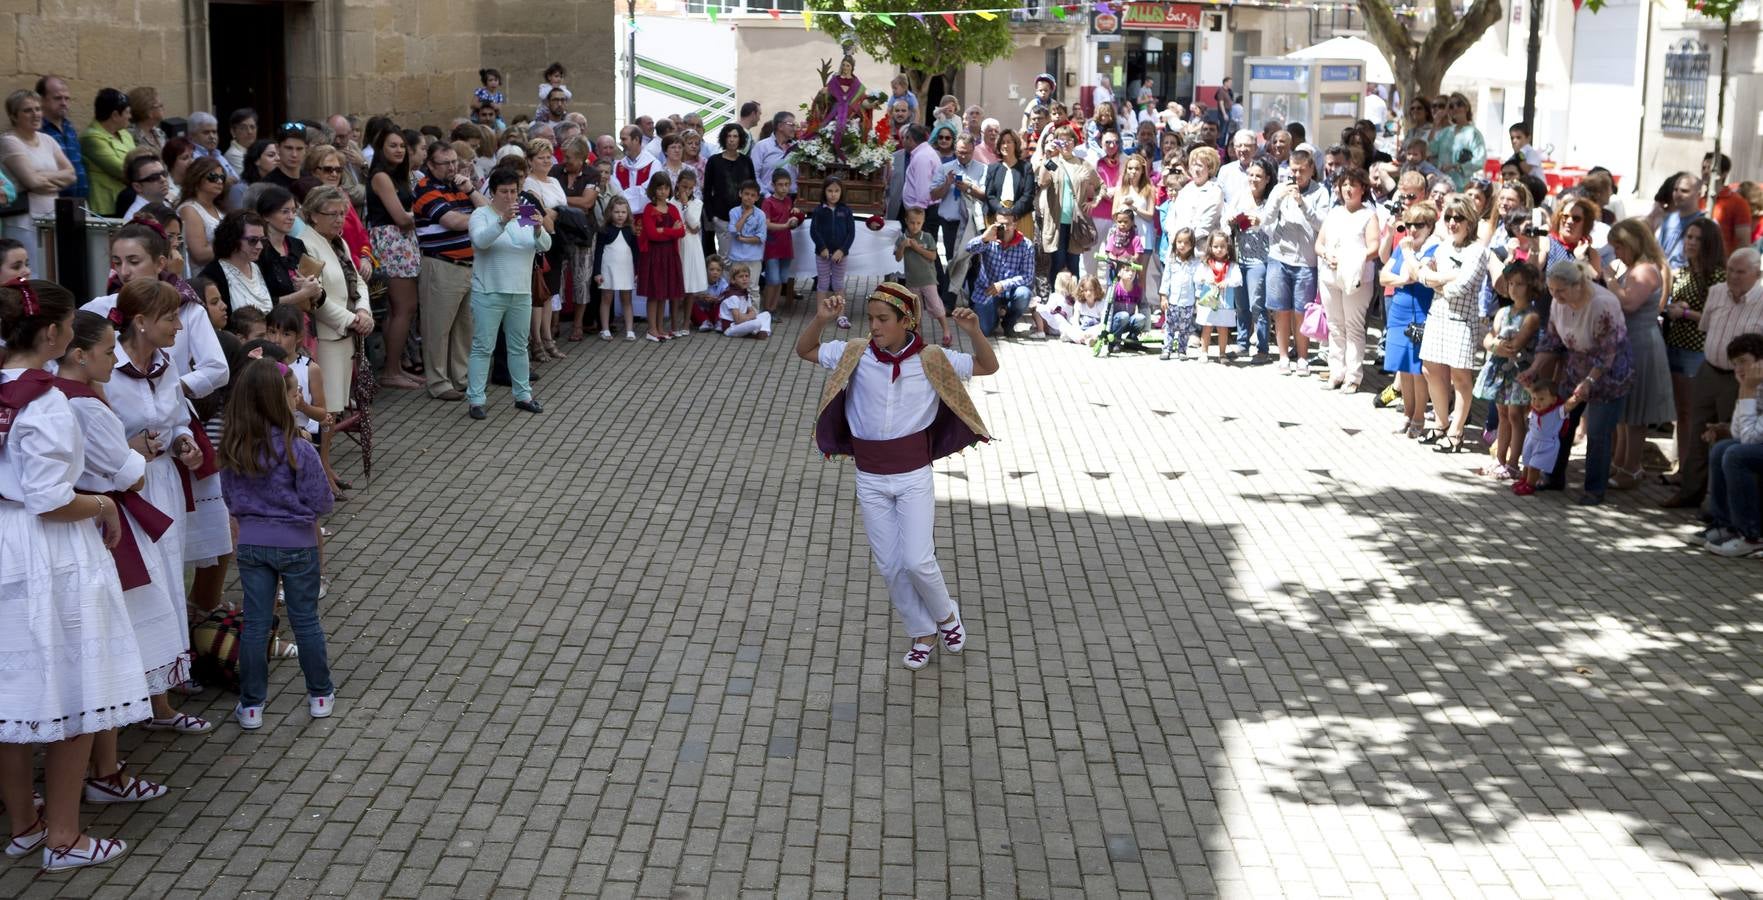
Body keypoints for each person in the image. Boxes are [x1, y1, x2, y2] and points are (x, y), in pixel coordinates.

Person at [0, 279, 151, 872]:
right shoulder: (47, 403)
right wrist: (104, 506)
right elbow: (48, 498)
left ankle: (25, 825)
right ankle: (64, 836)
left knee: (14, 692)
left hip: (6, 542)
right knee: (74, 687)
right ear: (55, 334)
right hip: (49, 548)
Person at [796, 285, 995, 670]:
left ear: (908, 321)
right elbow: (805, 350)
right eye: (870, 318)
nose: (874, 326)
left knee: (918, 560)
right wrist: (820, 319)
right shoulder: (853, 352)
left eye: (883, 320)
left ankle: (946, 616)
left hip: (913, 475)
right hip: (869, 477)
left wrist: (974, 332)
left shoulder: (931, 358)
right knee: (889, 565)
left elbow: (987, 366)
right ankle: (921, 631)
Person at [105, 278, 211, 731]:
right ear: (142, 322)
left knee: (168, 579)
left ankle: (160, 697)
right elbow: (92, 433)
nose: (177, 326)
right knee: (138, 588)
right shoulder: (106, 369)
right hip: (125, 492)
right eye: (170, 317)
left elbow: (178, 418)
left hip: (163, 482)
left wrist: (185, 442)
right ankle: (136, 697)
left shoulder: (166, 364)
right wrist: (127, 447)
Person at [219, 358, 336, 730]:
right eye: (293, 391)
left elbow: (229, 497)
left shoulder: (235, 447)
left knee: (255, 625)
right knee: (305, 621)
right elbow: (322, 501)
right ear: (276, 399)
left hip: (253, 544)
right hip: (298, 544)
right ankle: (319, 694)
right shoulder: (299, 450)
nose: (298, 395)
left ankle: (251, 705)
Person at [1522, 260, 1635, 504]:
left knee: (1598, 432)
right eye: (1551, 290)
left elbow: (1607, 354)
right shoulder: (1558, 303)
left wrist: (1589, 381)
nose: (1555, 295)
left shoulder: (1603, 304)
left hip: (1608, 374)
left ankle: (1594, 489)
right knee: (1559, 421)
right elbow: (1552, 341)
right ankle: (1552, 477)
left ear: (1578, 285)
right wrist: (1534, 368)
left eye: (1560, 290)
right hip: (1576, 366)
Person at [1670, 246, 1763, 508]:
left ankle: (1720, 504)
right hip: (1709, 369)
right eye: (1730, 270)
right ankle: (1689, 493)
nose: (1733, 276)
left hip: (1741, 380)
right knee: (1698, 434)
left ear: (1757, 273)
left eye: (1740, 272)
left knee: (1730, 438)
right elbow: (1706, 327)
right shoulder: (1717, 291)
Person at [296, 186, 374, 479]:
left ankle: (325, 467)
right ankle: (321, 470)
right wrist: (353, 319)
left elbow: (358, 282)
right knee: (323, 409)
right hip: (326, 337)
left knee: (334, 409)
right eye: (332, 214)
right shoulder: (305, 244)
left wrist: (364, 311)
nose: (340, 219)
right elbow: (315, 297)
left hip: (346, 335)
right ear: (313, 216)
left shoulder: (339, 242)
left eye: (343, 213)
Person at [465, 168, 552, 418]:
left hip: (521, 291)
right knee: (483, 346)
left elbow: (545, 245)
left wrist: (537, 229)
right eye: (504, 192)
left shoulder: (524, 213)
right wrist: (502, 221)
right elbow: (481, 241)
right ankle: (476, 399)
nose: (510, 196)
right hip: (489, 290)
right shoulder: (481, 215)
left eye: (514, 191)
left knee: (519, 346)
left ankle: (523, 395)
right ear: (493, 193)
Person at [1414, 195, 1491, 451]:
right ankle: (1440, 423)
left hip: (1462, 319)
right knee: (1430, 369)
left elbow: (1462, 287)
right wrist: (1444, 277)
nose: (1452, 223)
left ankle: (1457, 432)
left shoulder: (1478, 251)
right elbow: (1422, 273)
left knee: (1460, 377)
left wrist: (1437, 281)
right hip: (1437, 315)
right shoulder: (1443, 245)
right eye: (1449, 217)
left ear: (1470, 221)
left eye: (1459, 218)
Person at [1604, 219, 1677, 489]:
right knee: (1625, 413)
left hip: (1642, 345)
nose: (1616, 254)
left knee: (1636, 413)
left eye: (1619, 247)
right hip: (1630, 343)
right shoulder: (1636, 267)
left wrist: (1609, 277)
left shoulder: (1645, 269)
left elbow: (1629, 303)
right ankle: (1621, 462)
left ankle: (1632, 467)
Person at [412, 143, 483, 400]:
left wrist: (472, 190)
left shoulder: (460, 186)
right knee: (438, 328)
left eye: (454, 161)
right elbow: (452, 221)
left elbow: (486, 209)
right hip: (441, 264)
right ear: (430, 165)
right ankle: (439, 382)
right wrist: (482, 218)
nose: (452, 167)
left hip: (468, 265)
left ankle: (461, 377)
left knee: (465, 327)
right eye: (445, 163)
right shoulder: (424, 189)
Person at [1475, 260, 1545, 480]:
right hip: (1500, 370)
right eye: (1511, 283)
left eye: (1520, 284)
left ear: (1531, 287)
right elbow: (1489, 337)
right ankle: (1499, 459)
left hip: (1519, 372)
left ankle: (1514, 463)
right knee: (1502, 414)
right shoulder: (1503, 312)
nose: (1514, 288)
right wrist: (1494, 344)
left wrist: (1497, 344)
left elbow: (1516, 344)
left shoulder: (1531, 316)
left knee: (1516, 415)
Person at [1314, 167, 1381, 392]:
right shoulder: (1334, 213)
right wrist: (1326, 254)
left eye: (1353, 184)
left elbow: (1374, 248)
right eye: (1344, 184)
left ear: (1363, 188)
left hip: (1357, 278)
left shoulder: (1368, 215)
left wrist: (1350, 259)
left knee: (1353, 326)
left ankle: (1353, 375)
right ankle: (1336, 372)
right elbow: (1319, 244)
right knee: (1334, 325)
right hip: (1330, 275)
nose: (1348, 189)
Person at [364, 127, 421, 389]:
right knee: (404, 307)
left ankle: (395, 367)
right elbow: (400, 217)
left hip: (402, 243)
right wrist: (422, 214)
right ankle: (390, 371)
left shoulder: (398, 177)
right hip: (392, 243)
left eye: (401, 146)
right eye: (392, 146)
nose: (399, 150)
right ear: (381, 150)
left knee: (399, 310)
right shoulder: (381, 177)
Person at [1264, 147, 1329, 374]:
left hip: (1306, 261)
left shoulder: (1320, 192)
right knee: (1281, 310)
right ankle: (1283, 356)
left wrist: (1302, 203)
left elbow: (1322, 224)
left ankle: (1302, 357)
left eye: (1302, 170)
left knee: (1302, 310)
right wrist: (1277, 199)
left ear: (1311, 169)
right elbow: (1265, 222)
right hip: (1279, 257)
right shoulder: (1279, 189)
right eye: (1293, 170)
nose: (1297, 175)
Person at [1700, 333, 1763, 556]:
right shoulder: (1755, 386)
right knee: (1721, 449)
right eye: (1735, 364)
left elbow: (1748, 440)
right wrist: (1745, 390)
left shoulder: (1754, 387)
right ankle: (1725, 525)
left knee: (1736, 455)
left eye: (1744, 362)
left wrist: (1746, 390)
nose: (1738, 369)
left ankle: (1751, 535)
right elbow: (1738, 432)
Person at [0, 89, 77, 270]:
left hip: (52, 215)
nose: (35, 114)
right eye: (28, 110)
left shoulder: (48, 140)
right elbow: (32, 182)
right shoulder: (9, 141)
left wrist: (38, 176)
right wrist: (42, 179)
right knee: (31, 271)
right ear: (14, 116)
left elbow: (72, 175)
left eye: (38, 109)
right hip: (25, 221)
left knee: (53, 270)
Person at [1381, 201, 1438, 436]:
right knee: (1402, 366)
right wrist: (1402, 279)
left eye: (1419, 225)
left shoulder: (1433, 249)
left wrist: (1406, 262)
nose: (1413, 230)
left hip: (1420, 311)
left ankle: (1418, 418)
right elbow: (1384, 276)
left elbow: (1417, 275)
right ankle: (1407, 414)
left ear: (1430, 227)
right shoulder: (1402, 248)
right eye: (1409, 224)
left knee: (1416, 368)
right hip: (1398, 308)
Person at [1035, 124, 1101, 282]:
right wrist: (1048, 156)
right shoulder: (1053, 162)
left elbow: (1100, 185)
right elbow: (1042, 182)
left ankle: (1074, 301)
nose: (1065, 144)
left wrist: (1094, 202)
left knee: (1073, 264)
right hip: (1056, 222)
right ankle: (1056, 301)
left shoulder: (1082, 164)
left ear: (1074, 142)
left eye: (1069, 140)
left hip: (1076, 224)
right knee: (1057, 263)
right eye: (1061, 141)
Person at [965, 210, 1035, 338]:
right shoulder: (989, 240)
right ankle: (994, 317)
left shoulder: (1026, 245)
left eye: (1008, 224)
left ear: (1015, 224)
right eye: (1001, 224)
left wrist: (1003, 284)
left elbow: (1028, 276)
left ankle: (1008, 323)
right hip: (987, 291)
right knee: (984, 331)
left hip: (1011, 290)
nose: (1005, 228)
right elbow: (969, 248)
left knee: (1024, 294)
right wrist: (984, 238)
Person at [637, 173, 686, 342]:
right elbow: (651, 235)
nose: (663, 191)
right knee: (654, 293)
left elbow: (682, 232)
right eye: (659, 188)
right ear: (654, 190)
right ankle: (651, 329)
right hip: (654, 255)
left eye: (666, 188)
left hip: (670, 255)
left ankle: (660, 327)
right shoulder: (649, 209)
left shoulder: (672, 208)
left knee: (664, 293)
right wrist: (671, 231)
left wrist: (664, 230)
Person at [80, 88, 135, 217]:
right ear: (115, 115)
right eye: (127, 112)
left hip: (129, 201)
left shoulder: (125, 134)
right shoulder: (91, 138)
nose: (130, 116)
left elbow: (140, 162)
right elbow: (121, 169)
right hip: (107, 206)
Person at [895, 207, 946, 345]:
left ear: (923, 222)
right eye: (912, 222)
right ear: (906, 221)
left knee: (936, 305)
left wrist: (917, 248)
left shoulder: (927, 237)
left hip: (928, 279)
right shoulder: (902, 238)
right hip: (912, 281)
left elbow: (933, 256)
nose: (915, 226)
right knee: (916, 311)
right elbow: (898, 258)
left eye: (918, 223)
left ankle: (946, 331)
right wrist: (902, 247)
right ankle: (918, 337)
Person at [704, 124, 756, 259]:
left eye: (735, 136)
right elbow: (707, 190)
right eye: (729, 136)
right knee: (725, 258)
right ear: (724, 138)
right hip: (722, 217)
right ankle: (725, 281)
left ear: (740, 139)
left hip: (744, 217)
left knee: (743, 256)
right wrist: (712, 217)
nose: (732, 139)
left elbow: (753, 187)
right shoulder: (714, 161)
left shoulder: (746, 161)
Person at [593, 196, 638, 341]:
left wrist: (637, 272)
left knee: (627, 299)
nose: (620, 215)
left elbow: (636, 253)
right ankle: (605, 329)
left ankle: (630, 330)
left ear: (628, 213)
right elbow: (598, 252)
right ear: (610, 212)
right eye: (617, 212)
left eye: (623, 212)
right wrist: (597, 272)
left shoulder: (631, 231)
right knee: (606, 298)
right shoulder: (604, 230)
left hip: (626, 269)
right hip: (608, 268)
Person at [34, 75, 85, 200]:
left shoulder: (69, 127)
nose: (63, 103)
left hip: (80, 202)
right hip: (54, 204)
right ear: (41, 100)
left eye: (66, 98)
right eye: (57, 98)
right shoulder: (37, 131)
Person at [1513, 381, 1566, 496]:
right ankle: (1524, 480)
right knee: (1526, 463)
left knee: (1534, 466)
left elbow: (1570, 405)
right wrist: (1524, 382)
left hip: (1546, 443)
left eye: (1541, 399)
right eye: (1534, 399)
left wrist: (1578, 396)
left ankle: (1530, 485)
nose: (1536, 402)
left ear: (1553, 400)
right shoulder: (1536, 409)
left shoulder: (1558, 411)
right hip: (1531, 440)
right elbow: (1531, 390)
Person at [1195, 231, 1241, 363]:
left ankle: (1222, 354)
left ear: (1228, 248)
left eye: (1222, 246)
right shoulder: (1205, 263)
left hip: (1225, 303)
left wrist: (1227, 282)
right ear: (1210, 247)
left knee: (1223, 328)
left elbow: (1238, 280)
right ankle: (1204, 352)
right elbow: (1197, 278)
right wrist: (1206, 279)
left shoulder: (1232, 265)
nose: (1219, 249)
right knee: (1207, 326)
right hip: (1208, 301)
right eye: (1216, 246)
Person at [811, 176, 855, 307]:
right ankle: (821, 312)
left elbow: (851, 233)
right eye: (830, 191)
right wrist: (822, 247)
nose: (833, 194)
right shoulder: (819, 210)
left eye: (836, 191)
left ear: (841, 192)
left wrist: (842, 251)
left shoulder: (846, 211)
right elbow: (814, 231)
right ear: (824, 191)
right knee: (822, 283)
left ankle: (841, 314)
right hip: (822, 254)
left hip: (840, 255)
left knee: (838, 284)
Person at [758, 170, 796, 313]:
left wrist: (795, 217)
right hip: (772, 245)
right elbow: (766, 224)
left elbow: (791, 217)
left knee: (781, 279)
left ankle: (773, 309)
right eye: (780, 185)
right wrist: (785, 225)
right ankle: (766, 309)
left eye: (787, 184)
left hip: (786, 245)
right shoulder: (768, 202)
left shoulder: (788, 200)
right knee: (772, 279)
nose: (784, 188)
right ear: (773, 185)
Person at [1701, 152, 1752, 255]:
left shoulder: (1738, 203)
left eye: (1711, 169)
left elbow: (1744, 242)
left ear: (1724, 173)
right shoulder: (1698, 201)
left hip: (1722, 266)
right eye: (1703, 168)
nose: (1705, 172)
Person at [1654, 172, 1703, 270]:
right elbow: (1659, 252)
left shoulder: (1705, 223)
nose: (1678, 194)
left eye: (1684, 191)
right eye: (1675, 190)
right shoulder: (1668, 219)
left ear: (1698, 194)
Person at [1436, 93, 1484, 191]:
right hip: (1441, 184)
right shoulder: (1446, 132)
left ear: (1466, 107)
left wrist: (1457, 166)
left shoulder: (1473, 133)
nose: (1455, 108)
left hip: (1462, 186)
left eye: (1459, 104)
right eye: (1451, 106)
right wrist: (1436, 123)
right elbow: (1430, 150)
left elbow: (1480, 161)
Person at [719, 263, 771, 338]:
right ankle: (756, 332)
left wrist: (748, 316)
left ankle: (761, 332)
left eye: (746, 276)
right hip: (731, 327)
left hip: (742, 322)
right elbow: (738, 319)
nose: (744, 279)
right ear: (733, 280)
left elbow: (752, 311)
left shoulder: (744, 293)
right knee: (756, 323)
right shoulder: (733, 296)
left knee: (766, 314)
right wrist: (750, 316)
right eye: (741, 276)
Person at [124, 87, 166, 156]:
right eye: (160, 105)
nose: (163, 108)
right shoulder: (131, 137)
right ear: (149, 112)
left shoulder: (158, 132)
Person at [224, 108, 257, 174]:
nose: (249, 132)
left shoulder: (257, 150)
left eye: (252, 127)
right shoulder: (233, 155)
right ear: (233, 132)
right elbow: (250, 180)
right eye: (243, 128)